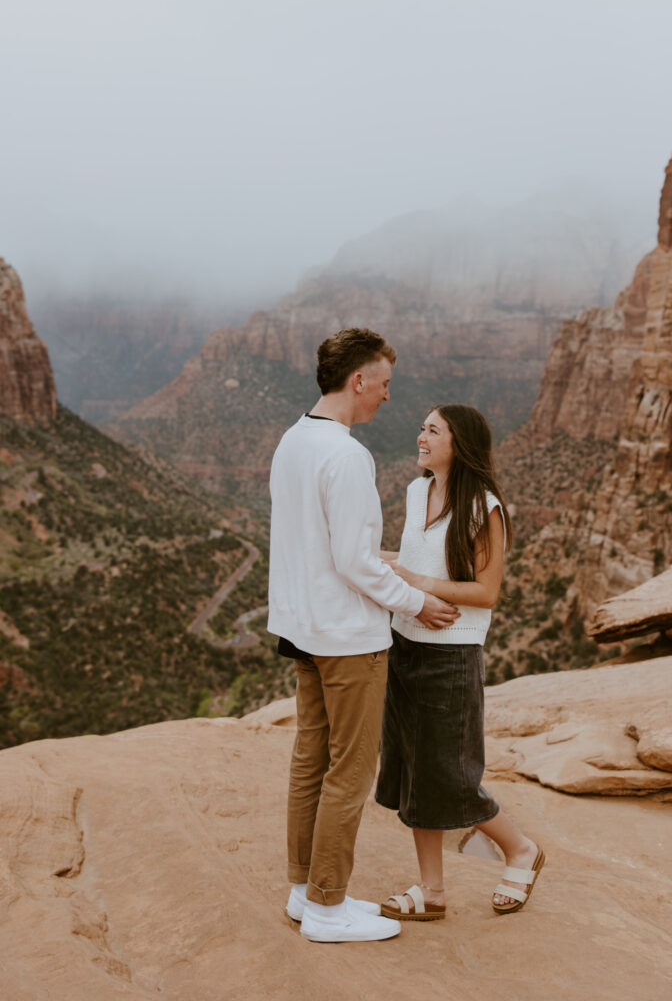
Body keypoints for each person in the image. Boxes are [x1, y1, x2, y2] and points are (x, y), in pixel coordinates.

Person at [268, 328, 460, 944]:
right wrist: (419, 603)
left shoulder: (293, 440)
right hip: (347, 638)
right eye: (383, 384)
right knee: (349, 770)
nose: (385, 397)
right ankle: (327, 908)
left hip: (301, 628)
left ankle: (304, 890)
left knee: (310, 760)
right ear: (358, 381)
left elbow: (316, 546)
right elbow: (353, 561)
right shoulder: (347, 454)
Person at [376, 404, 545, 921]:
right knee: (411, 771)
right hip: (403, 644)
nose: (420, 435)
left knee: (450, 774)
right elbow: (408, 564)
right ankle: (432, 892)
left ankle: (520, 850)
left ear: (459, 444)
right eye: (422, 426)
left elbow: (487, 591)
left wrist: (419, 584)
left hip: (451, 656)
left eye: (432, 430)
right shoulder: (415, 491)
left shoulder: (484, 508)